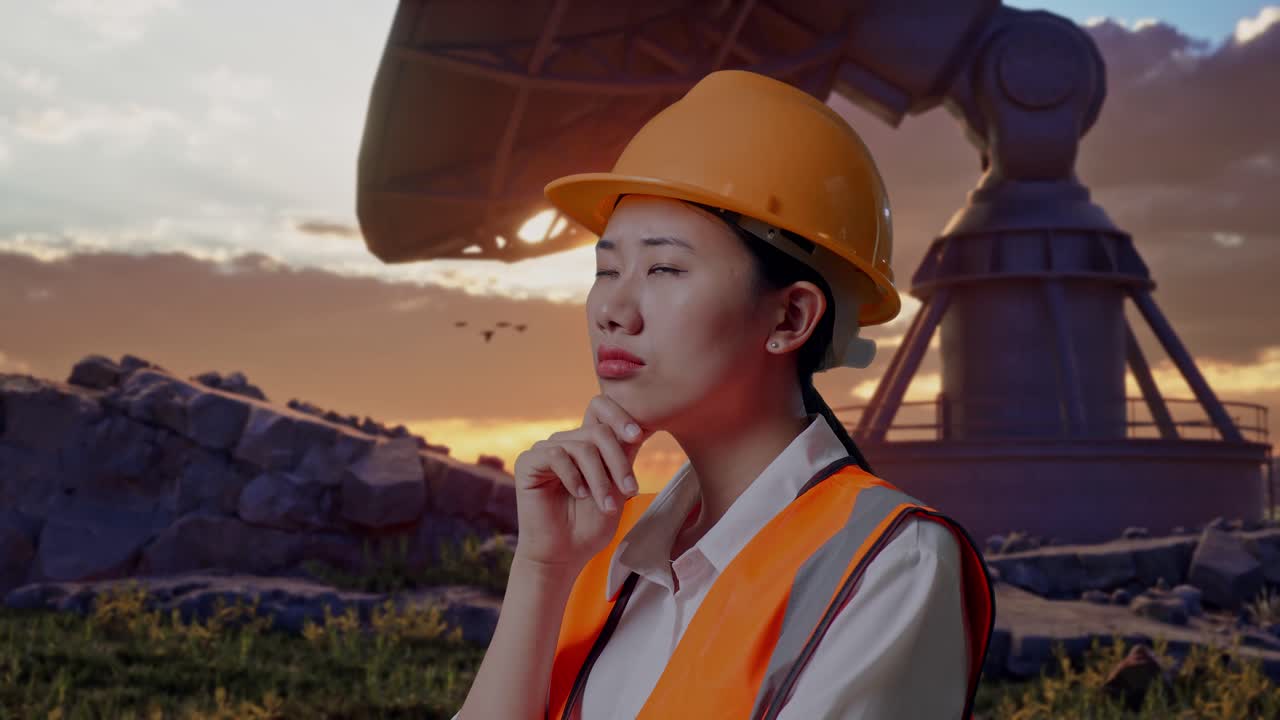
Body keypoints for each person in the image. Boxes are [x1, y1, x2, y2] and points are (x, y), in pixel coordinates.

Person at [453, 69, 994, 720]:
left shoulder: (889, 563)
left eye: (665, 268)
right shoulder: (600, 545)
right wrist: (542, 568)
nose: (612, 311)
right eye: (606, 269)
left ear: (791, 318)